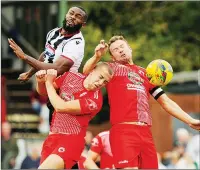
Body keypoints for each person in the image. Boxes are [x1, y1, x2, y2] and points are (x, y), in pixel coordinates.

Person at [83, 36, 200, 169]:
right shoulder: (111, 68)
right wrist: (96, 56)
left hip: (145, 132)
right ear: (113, 56)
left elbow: (166, 102)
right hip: (123, 130)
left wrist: (189, 120)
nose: (120, 50)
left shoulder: (146, 74)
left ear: (130, 49)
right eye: (115, 50)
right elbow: (86, 71)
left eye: (122, 46)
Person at [8, 6, 88, 124]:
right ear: (66, 14)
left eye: (78, 17)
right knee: (53, 126)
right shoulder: (53, 32)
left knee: (60, 128)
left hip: (66, 93)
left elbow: (57, 68)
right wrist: (29, 74)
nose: (72, 17)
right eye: (71, 13)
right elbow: (46, 54)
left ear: (83, 24)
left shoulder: (76, 43)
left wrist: (25, 57)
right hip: (51, 87)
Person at [35, 62, 113, 169]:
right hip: (52, 138)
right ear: (92, 70)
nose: (101, 83)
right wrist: (40, 82)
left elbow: (60, 107)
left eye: (105, 82)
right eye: (100, 77)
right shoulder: (70, 76)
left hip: (71, 141)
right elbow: (45, 92)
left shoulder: (95, 101)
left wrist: (48, 81)